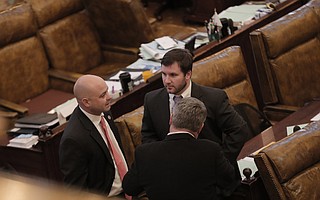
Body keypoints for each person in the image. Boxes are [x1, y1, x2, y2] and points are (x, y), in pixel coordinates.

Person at [141, 48, 249, 182]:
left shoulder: (213, 99)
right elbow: (148, 136)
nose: (167, 81)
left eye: (173, 75)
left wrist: (220, 160)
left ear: (188, 75)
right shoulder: (151, 100)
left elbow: (239, 129)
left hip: (213, 180)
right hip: (175, 178)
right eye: (164, 74)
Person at [123, 97, 236, 200]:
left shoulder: (144, 154)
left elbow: (129, 187)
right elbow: (229, 181)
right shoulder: (211, 150)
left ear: (171, 119)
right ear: (201, 127)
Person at [59, 74, 129, 198]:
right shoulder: (73, 139)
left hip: (129, 188)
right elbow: (76, 190)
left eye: (107, 91)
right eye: (102, 95)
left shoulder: (103, 111)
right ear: (86, 102)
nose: (109, 97)